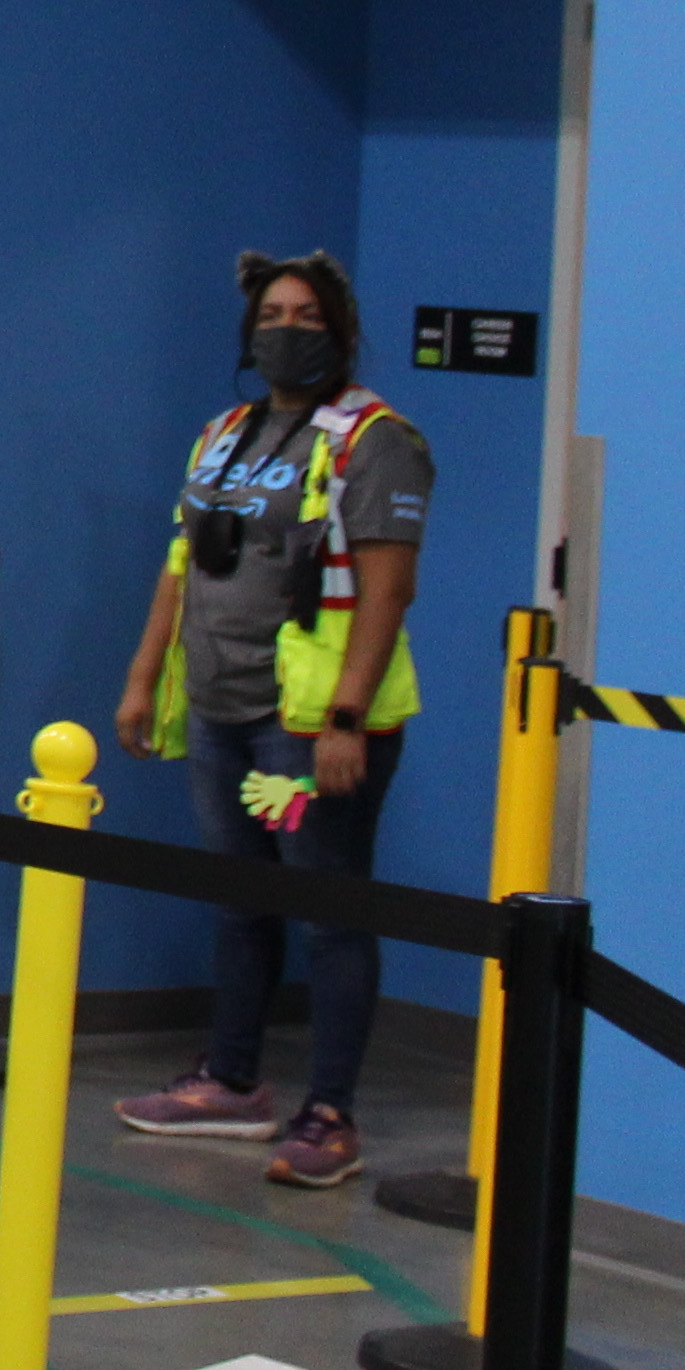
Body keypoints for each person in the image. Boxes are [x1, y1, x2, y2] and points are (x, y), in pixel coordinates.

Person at [111, 248, 429, 1190]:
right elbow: (183, 561)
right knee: (240, 900)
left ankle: (330, 1116)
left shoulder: (376, 440)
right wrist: (142, 676)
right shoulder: (223, 432)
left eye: (307, 315)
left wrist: (344, 718)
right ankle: (232, 1080)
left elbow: (387, 588)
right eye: (272, 315)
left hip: (303, 723)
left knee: (328, 909)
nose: (286, 330)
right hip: (220, 709)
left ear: (340, 329)